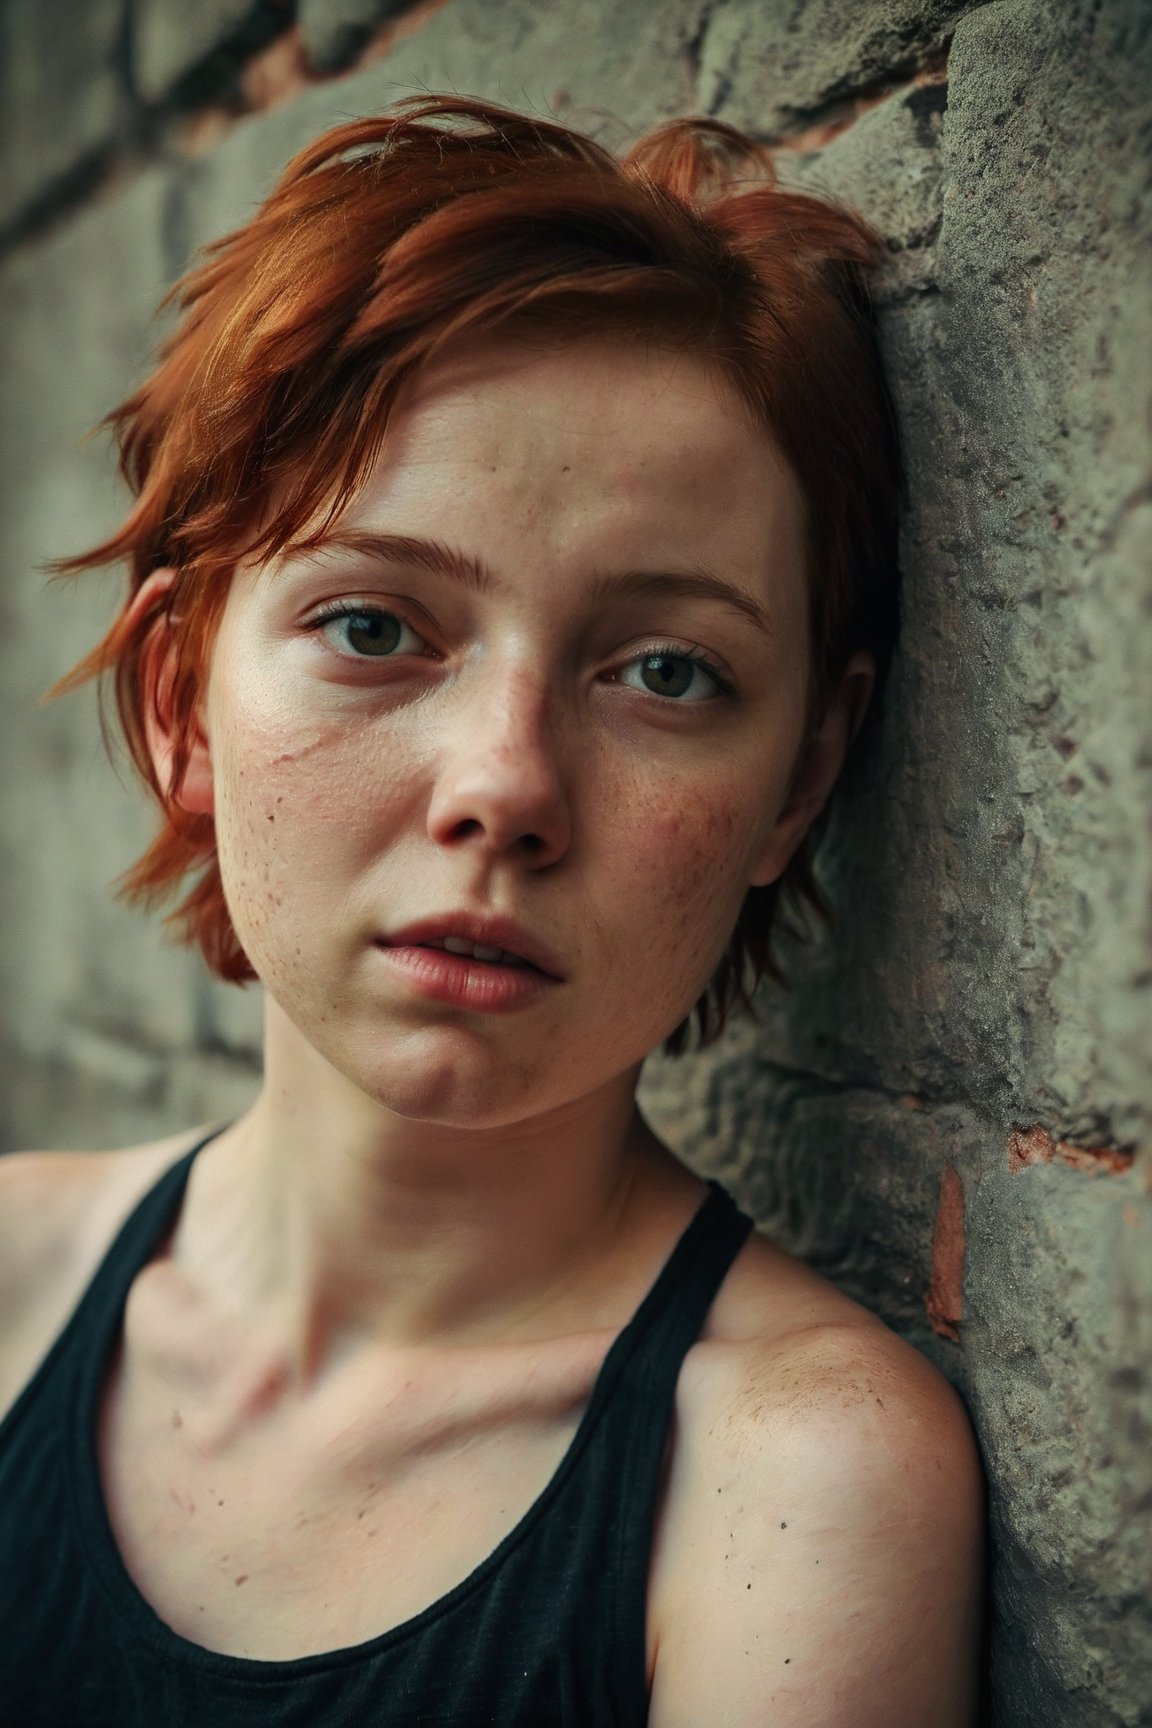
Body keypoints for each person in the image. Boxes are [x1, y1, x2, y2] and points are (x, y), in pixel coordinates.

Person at [0, 96, 983, 1725]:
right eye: (378, 626)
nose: (506, 786)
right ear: (182, 705)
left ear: (800, 779)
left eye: (668, 672)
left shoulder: (789, 1486)